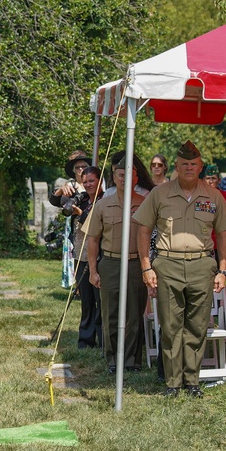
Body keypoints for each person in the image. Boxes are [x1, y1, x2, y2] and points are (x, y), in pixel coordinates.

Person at [135, 140, 226, 398]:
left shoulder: (213, 196)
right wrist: (147, 266)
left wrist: (223, 270)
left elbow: (224, 233)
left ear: (200, 167)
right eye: (184, 164)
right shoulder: (160, 193)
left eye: (193, 164)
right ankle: (172, 382)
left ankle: (192, 381)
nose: (189, 168)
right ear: (176, 167)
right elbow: (143, 229)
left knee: (198, 325)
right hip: (168, 264)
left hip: (203, 265)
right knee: (170, 326)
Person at [87, 158, 147, 373]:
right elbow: (93, 239)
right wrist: (93, 271)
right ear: (114, 177)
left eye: (129, 174)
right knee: (110, 314)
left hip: (135, 264)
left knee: (134, 314)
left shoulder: (145, 203)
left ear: (136, 178)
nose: (124, 178)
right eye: (120, 174)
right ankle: (113, 360)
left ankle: (132, 361)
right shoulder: (102, 205)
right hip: (110, 263)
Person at [68, 166, 102, 349]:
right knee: (87, 300)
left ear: (100, 180)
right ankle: (86, 340)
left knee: (100, 300)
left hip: (99, 255)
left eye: (92, 181)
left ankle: (103, 339)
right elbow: (56, 200)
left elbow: (94, 225)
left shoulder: (104, 200)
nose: (88, 184)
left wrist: (80, 216)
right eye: (85, 181)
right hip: (81, 254)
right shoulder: (82, 200)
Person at [50, 151, 91, 288]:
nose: (81, 169)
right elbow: (55, 201)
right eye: (78, 167)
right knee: (77, 257)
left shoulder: (94, 185)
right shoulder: (70, 186)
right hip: (76, 229)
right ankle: (78, 287)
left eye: (84, 166)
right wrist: (61, 190)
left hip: (91, 226)